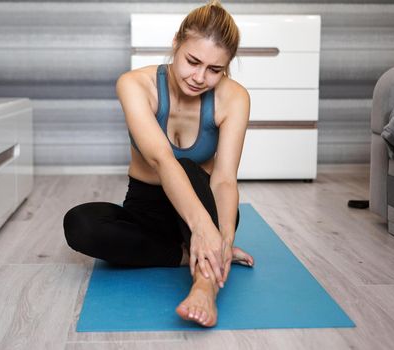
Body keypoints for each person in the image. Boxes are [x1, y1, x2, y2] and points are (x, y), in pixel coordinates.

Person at [63, 0, 254, 327]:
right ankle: (184, 256)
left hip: (202, 201)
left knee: (192, 170)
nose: (199, 77)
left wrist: (219, 233)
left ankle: (204, 287)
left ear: (227, 67)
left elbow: (223, 181)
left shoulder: (234, 97)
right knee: (80, 223)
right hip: (146, 209)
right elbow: (162, 161)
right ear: (176, 44)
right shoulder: (135, 84)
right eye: (193, 61)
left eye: (214, 69)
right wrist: (207, 235)